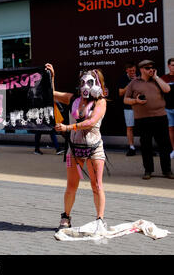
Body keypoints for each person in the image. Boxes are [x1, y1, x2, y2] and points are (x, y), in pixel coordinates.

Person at [45, 63, 108, 230]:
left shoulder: (100, 102)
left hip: (94, 148)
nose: (85, 87)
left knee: (97, 185)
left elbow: (91, 122)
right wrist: (52, 76)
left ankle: (100, 220)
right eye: (82, 83)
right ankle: (65, 217)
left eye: (90, 83)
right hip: (74, 149)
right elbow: (50, 94)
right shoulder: (73, 99)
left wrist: (68, 127)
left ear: (98, 84)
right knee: (71, 186)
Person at [124, 60, 174, 180]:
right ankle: (148, 170)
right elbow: (126, 99)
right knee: (146, 146)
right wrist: (135, 101)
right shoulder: (134, 83)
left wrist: (156, 77)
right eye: (147, 68)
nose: (150, 70)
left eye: (152, 68)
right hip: (142, 119)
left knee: (164, 145)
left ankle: (167, 170)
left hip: (160, 117)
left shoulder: (158, 80)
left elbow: (167, 89)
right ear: (141, 69)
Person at [118, 63, 137, 156]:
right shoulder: (123, 78)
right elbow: (120, 93)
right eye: (130, 71)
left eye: (134, 70)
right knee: (129, 127)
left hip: (140, 106)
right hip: (128, 107)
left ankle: (147, 147)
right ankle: (131, 147)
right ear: (127, 70)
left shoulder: (140, 77)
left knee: (144, 127)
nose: (132, 72)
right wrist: (130, 84)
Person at [160, 57, 174, 159]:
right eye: (172, 65)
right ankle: (173, 150)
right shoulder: (164, 78)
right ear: (169, 66)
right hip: (168, 108)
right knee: (170, 129)